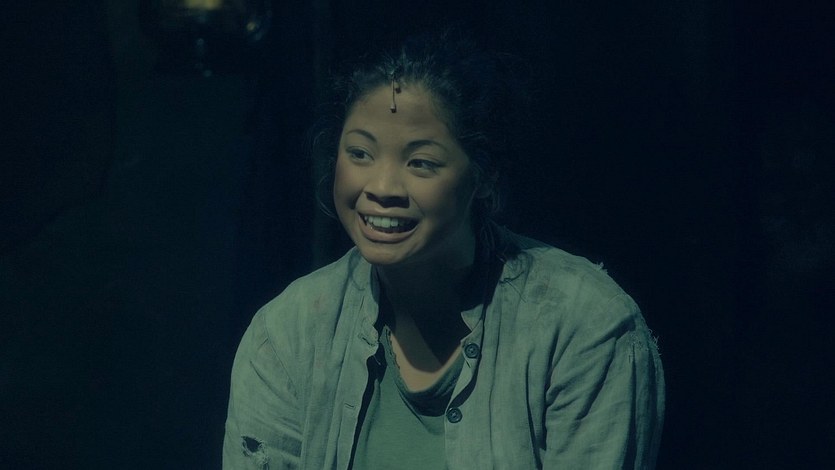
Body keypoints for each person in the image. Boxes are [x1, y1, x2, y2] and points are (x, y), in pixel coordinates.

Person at [223, 30, 664, 469]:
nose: (382, 187)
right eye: (360, 153)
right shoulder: (289, 333)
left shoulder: (582, 327)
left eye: (421, 163)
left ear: (484, 176)